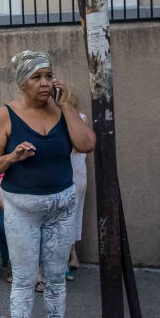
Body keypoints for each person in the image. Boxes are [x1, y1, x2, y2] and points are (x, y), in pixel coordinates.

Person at [0, 50, 96, 318]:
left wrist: (68, 106)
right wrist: (12, 157)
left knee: (57, 278)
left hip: (61, 208)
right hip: (22, 211)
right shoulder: (6, 115)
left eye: (48, 75)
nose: (45, 83)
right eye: (37, 77)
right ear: (22, 83)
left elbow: (87, 144)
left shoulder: (63, 110)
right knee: (25, 279)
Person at [66, 91, 88, 281]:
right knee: (73, 216)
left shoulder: (73, 121)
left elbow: (72, 146)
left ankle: (67, 259)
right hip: (79, 174)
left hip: (70, 174)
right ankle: (73, 256)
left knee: (66, 218)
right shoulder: (81, 119)